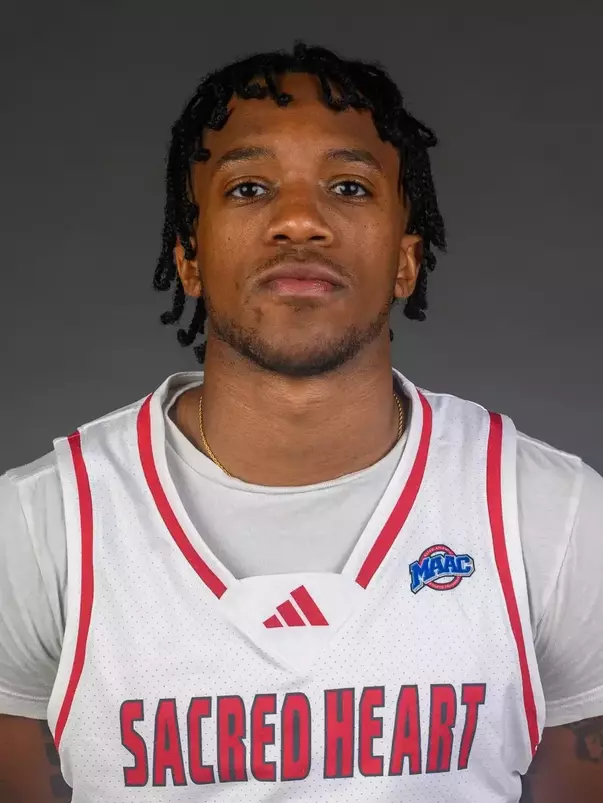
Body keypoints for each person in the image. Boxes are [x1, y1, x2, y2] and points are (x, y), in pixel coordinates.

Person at [0, 41, 601, 803]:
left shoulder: (552, 513)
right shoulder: (37, 525)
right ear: (188, 256)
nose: (297, 220)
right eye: (248, 187)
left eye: (348, 186)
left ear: (405, 260)